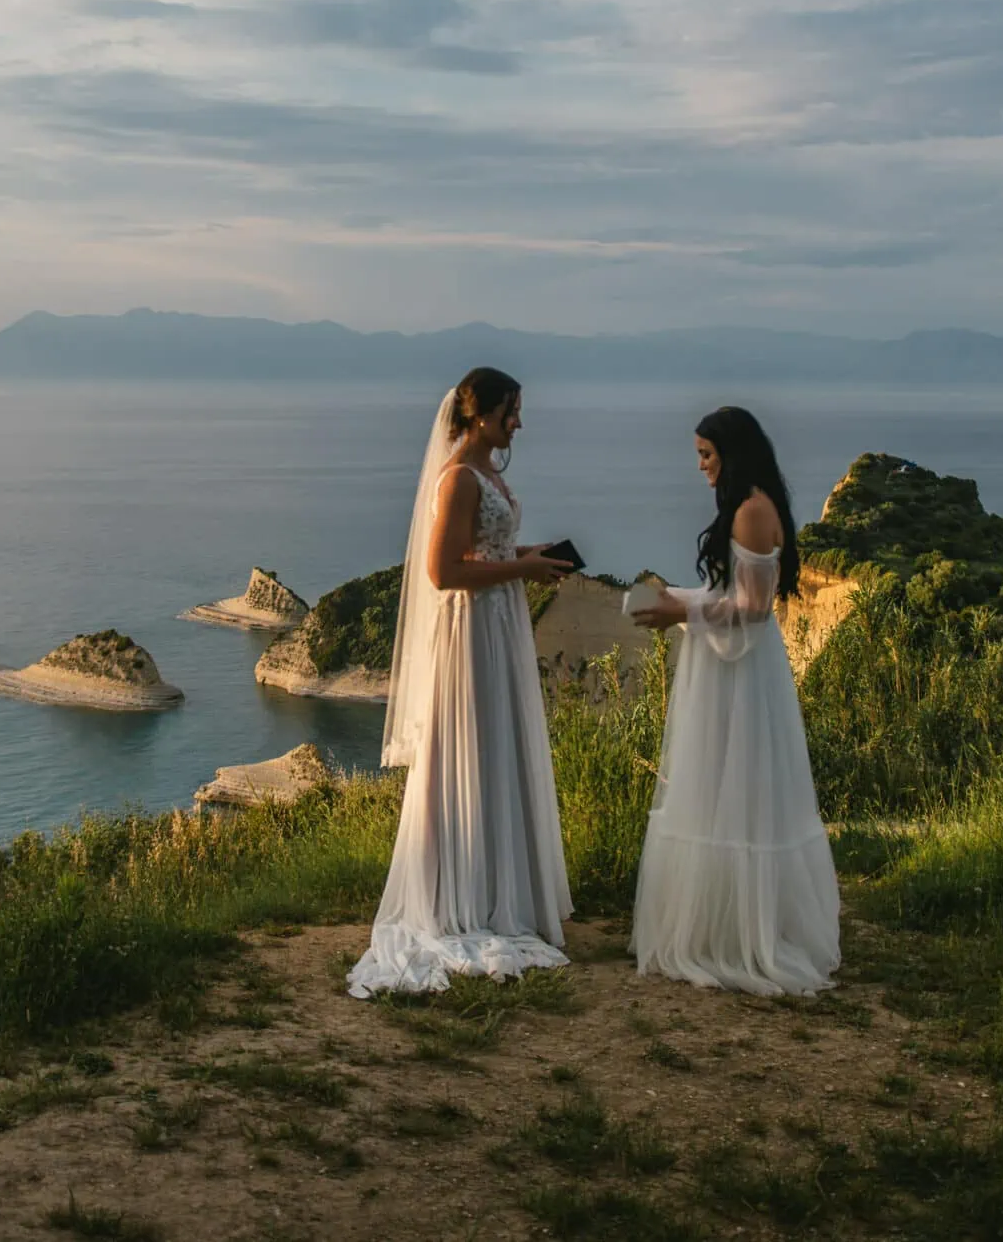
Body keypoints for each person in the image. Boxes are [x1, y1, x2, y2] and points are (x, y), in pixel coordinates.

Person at [347, 368, 577, 998]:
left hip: (498, 621)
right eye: (511, 412)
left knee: (497, 745)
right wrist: (520, 569)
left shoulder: (489, 476)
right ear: (480, 417)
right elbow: (443, 571)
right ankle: (465, 900)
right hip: (470, 628)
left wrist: (530, 559)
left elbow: (485, 551)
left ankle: (503, 893)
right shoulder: (456, 478)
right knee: (471, 745)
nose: (519, 424)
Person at [626, 406, 839, 995]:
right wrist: (684, 596)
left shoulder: (750, 511)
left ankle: (739, 935)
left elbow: (752, 608)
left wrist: (682, 610)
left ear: (732, 452)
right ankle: (733, 924)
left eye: (706, 455)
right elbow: (733, 594)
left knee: (734, 783)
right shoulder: (755, 503)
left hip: (741, 671)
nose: (701, 467)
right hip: (736, 663)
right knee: (728, 784)